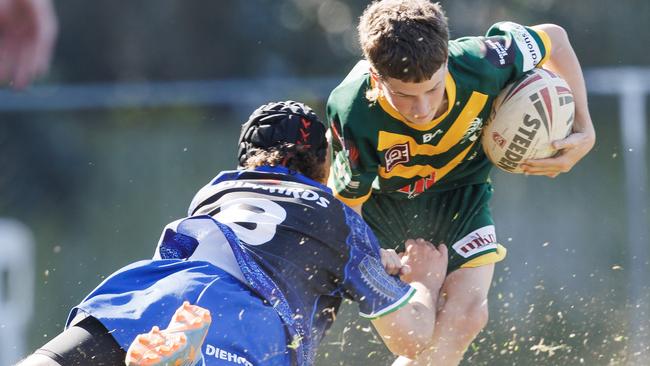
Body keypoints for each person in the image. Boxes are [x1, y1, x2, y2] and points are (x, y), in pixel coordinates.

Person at [18, 100, 449, 366]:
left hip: (151, 292)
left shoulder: (215, 192)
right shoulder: (337, 216)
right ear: (323, 166)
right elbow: (409, 335)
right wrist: (423, 283)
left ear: (247, 162)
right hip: (245, 322)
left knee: (52, 360)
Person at [325, 0, 596, 365]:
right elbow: (346, 206)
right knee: (411, 339)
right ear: (376, 78)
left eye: (432, 89)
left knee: (467, 315)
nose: (421, 109)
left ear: (447, 63)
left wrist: (585, 128)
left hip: (461, 196)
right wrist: (384, 260)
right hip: (383, 208)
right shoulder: (353, 109)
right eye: (404, 95)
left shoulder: (484, 61)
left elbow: (555, 39)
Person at [0, 0, 57, 89]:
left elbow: (46, 30)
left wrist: (40, 59)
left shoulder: (38, 7)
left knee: (28, 74)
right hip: (13, 36)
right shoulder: (4, 7)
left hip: (32, 35)